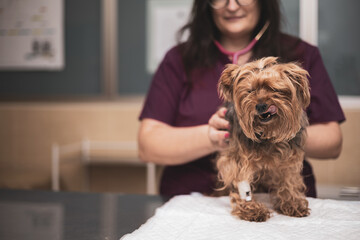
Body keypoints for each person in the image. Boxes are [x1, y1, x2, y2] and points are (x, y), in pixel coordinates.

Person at [138, 0, 345, 198]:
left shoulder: (301, 55)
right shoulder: (179, 60)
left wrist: (282, 129)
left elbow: (333, 142)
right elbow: (147, 146)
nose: (232, 6)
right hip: (194, 199)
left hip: (282, 202)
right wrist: (214, 137)